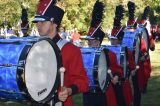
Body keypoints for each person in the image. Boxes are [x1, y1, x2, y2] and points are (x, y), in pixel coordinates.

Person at [32, 0, 89, 106]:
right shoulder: (33, 48)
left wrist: (69, 90)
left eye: (43, 22)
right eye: (37, 22)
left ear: (54, 23)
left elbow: (83, 81)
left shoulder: (71, 50)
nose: (38, 25)